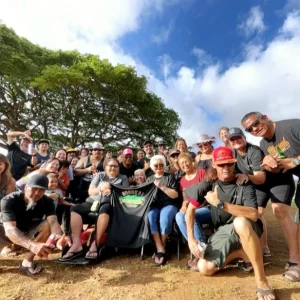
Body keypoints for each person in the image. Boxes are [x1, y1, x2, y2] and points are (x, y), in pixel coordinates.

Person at [184, 146, 275, 299]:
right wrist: (191, 239)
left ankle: (261, 280)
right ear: (214, 164)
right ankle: (243, 254)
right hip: (224, 231)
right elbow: (190, 211)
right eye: (221, 164)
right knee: (204, 268)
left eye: (229, 163)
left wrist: (220, 204)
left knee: (240, 222)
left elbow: (254, 214)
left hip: (247, 227)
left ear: (234, 163)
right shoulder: (208, 184)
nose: (226, 168)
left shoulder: (244, 182)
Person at [241, 111, 300, 282]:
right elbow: (279, 168)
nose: (254, 129)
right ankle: (295, 260)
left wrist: (294, 161)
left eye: (255, 123)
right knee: (280, 211)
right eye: (249, 129)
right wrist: (270, 165)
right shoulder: (263, 144)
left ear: (265, 117)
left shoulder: (293, 126)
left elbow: (291, 162)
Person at [61, 158, 129, 260]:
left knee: (105, 210)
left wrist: (113, 191)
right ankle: (76, 244)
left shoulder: (123, 178)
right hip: (93, 201)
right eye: (110, 165)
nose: (113, 168)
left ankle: (95, 244)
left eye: (115, 166)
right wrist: (101, 189)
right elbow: (91, 191)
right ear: (106, 167)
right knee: (75, 209)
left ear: (119, 168)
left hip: (109, 202)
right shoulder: (100, 175)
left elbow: (125, 195)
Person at [0, 174, 67, 275]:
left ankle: (26, 263)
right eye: (34, 188)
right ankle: (14, 247)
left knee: (47, 224)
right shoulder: (9, 200)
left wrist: (58, 237)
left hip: (27, 232)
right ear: (26, 187)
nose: (37, 193)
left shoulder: (47, 201)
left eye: (41, 190)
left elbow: (53, 222)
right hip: (4, 233)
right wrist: (32, 245)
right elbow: (10, 229)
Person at [228, 127, 270, 256]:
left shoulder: (254, 151)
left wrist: (247, 176)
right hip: (245, 187)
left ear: (244, 137)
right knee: (243, 214)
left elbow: (261, 179)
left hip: (260, 186)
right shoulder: (233, 154)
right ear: (230, 142)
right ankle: (248, 245)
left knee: (258, 213)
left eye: (238, 137)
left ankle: (264, 246)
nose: (236, 141)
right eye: (233, 139)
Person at [146, 155, 179, 266]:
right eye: (156, 165)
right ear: (152, 167)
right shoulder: (149, 179)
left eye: (161, 165)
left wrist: (162, 187)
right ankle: (159, 246)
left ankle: (162, 247)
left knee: (165, 217)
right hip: (155, 206)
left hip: (169, 204)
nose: (159, 167)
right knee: (150, 216)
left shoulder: (170, 177)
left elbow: (175, 195)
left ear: (164, 165)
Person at [175, 153, 209, 250]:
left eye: (186, 161)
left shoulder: (201, 173)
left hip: (206, 207)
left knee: (190, 215)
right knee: (178, 216)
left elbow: (208, 193)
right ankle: (196, 248)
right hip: (193, 208)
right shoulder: (182, 181)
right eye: (182, 163)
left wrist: (196, 206)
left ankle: (202, 250)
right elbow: (185, 199)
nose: (184, 164)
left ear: (192, 162)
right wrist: (184, 205)